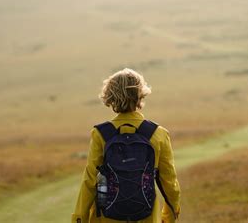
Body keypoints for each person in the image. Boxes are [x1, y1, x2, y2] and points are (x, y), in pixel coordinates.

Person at [71, 68, 181, 223]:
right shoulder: (159, 134)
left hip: (107, 217)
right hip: (147, 217)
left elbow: (90, 181)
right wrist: (169, 216)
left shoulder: (100, 134)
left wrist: (79, 218)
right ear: (140, 95)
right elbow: (169, 182)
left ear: (110, 96)